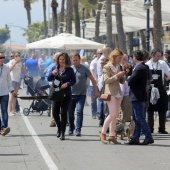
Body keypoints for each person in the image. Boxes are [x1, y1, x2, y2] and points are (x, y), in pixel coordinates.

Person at [126, 50, 154, 145]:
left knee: (139, 117)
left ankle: (148, 136)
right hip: (137, 95)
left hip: (138, 96)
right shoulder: (141, 67)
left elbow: (130, 81)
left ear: (135, 57)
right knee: (136, 118)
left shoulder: (140, 68)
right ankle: (135, 138)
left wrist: (127, 76)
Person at [68, 53, 99, 136]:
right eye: (73, 60)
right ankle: (71, 127)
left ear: (79, 60)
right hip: (71, 95)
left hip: (81, 95)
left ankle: (78, 129)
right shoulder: (70, 69)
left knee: (79, 111)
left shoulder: (84, 68)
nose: (75, 62)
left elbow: (93, 80)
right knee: (70, 113)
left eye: (76, 60)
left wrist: (96, 91)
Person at [48, 53, 76, 140]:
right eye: (60, 59)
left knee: (64, 113)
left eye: (63, 59)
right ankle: (59, 128)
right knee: (55, 113)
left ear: (66, 60)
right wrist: (52, 74)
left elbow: (73, 81)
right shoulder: (54, 68)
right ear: (58, 60)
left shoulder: (70, 70)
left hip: (66, 94)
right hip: (56, 94)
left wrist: (67, 84)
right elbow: (49, 79)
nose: (61, 61)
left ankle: (63, 132)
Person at [100, 48, 125, 144]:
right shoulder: (107, 67)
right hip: (110, 92)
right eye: (119, 58)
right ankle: (103, 133)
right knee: (113, 114)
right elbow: (106, 80)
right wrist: (117, 76)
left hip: (118, 92)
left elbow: (121, 81)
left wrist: (123, 75)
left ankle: (112, 135)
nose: (120, 60)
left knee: (115, 116)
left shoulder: (118, 66)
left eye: (121, 58)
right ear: (114, 57)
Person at [146, 49, 170, 134]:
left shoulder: (163, 64)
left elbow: (169, 73)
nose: (159, 58)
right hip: (150, 88)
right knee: (150, 109)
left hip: (160, 88)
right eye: (157, 56)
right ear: (152, 55)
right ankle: (150, 128)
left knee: (163, 108)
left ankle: (162, 128)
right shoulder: (147, 64)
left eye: (160, 56)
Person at [0, 52, 16, 135]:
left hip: (4, 93)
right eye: (0, 58)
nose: (2, 59)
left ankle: (4, 127)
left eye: (3, 57)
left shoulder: (6, 67)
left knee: (4, 111)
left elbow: (9, 81)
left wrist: (12, 91)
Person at [9, 52, 24, 116]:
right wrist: (15, 63)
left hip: (18, 80)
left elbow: (22, 70)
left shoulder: (20, 63)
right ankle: (10, 111)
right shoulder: (12, 61)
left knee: (15, 96)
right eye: (16, 56)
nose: (17, 57)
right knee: (11, 95)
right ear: (14, 56)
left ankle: (13, 110)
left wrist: (25, 72)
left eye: (18, 56)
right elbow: (10, 69)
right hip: (13, 80)